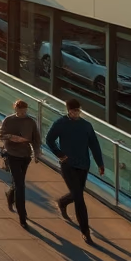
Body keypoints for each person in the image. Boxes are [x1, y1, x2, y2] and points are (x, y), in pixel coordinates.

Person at [46, 98, 106, 244]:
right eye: (73, 111)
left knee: (77, 193)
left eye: (78, 111)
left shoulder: (86, 125)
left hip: (83, 165)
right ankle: (85, 231)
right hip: (68, 164)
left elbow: (94, 145)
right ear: (68, 111)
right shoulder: (60, 123)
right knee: (79, 198)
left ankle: (62, 202)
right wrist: (60, 154)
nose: (76, 113)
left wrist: (100, 164)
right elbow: (49, 139)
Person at [0, 99, 42, 228]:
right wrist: (12, 137)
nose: (22, 112)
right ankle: (22, 215)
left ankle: (10, 194)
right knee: (20, 184)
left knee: (18, 181)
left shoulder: (30, 122)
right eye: (20, 110)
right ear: (15, 109)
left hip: (25, 155)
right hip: (11, 154)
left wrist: (37, 153)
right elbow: (0, 135)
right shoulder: (8, 120)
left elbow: (36, 139)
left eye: (24, 110)